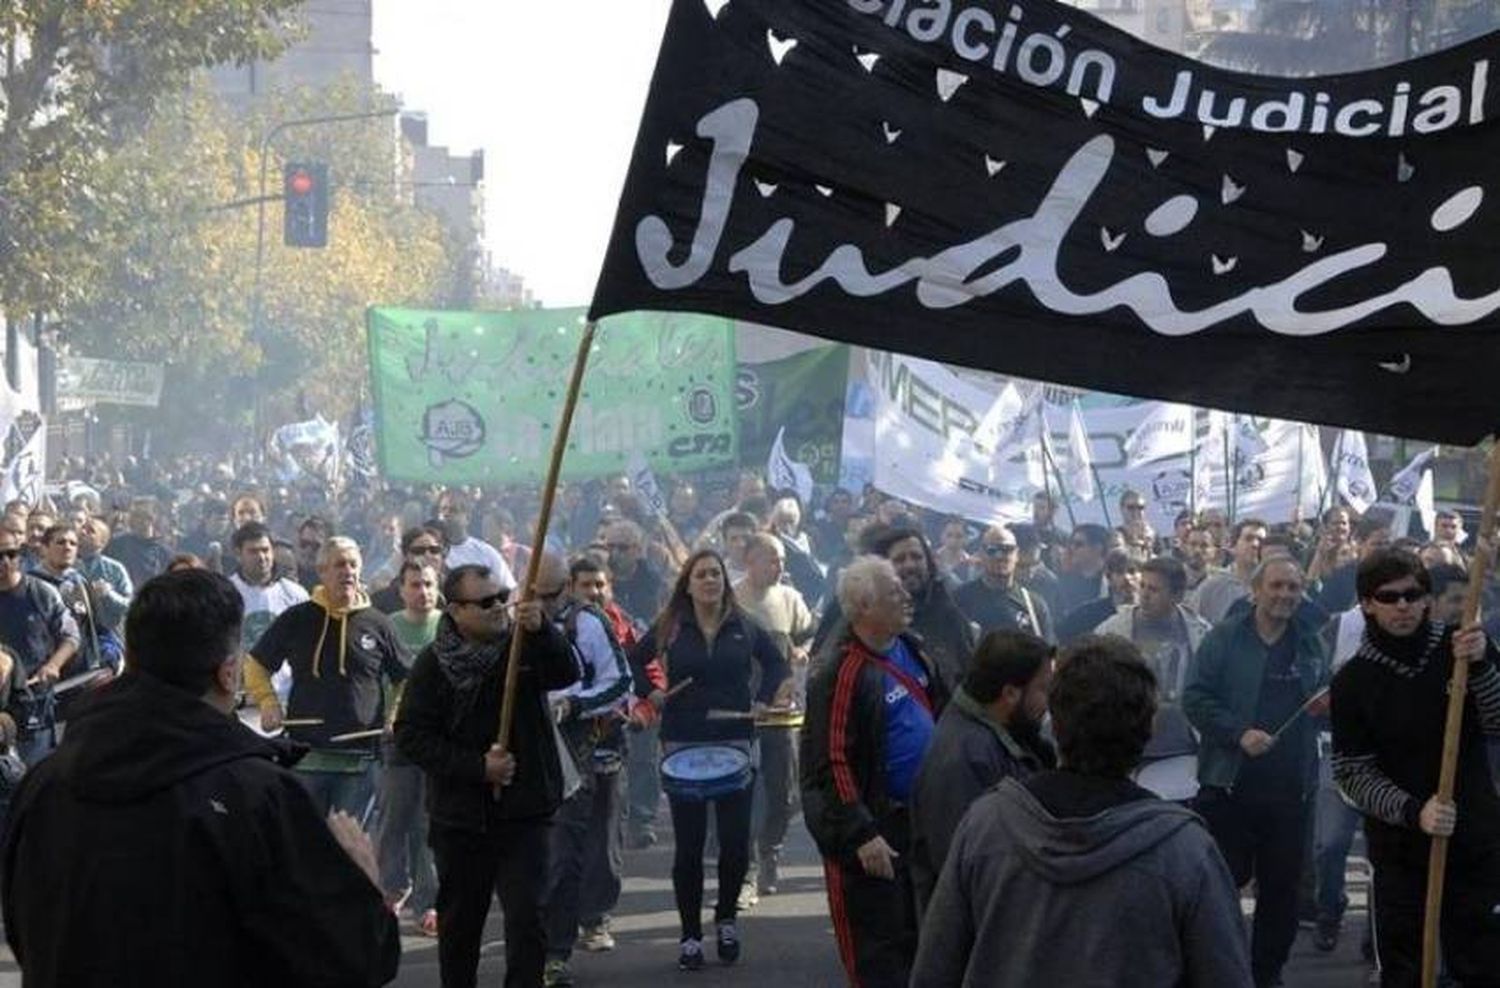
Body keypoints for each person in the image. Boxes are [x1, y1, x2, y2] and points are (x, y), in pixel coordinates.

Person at [0, 569, 400, 987]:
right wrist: (362, 883)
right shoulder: (257, 798)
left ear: (133, 660)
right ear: (229, 674)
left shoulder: (44, 783)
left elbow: (24, 931)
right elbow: (354, 960)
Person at [910, 635, 1251, 988]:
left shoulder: (984, 826)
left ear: (1055, 723)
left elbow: (935, 969)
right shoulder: (1186, 852)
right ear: (1150, 729)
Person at [395, 561, 579, 988]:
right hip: (461, 818)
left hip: (526, 810)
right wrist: (478, 766)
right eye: (486, 602)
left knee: (527, 918)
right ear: (456, 610)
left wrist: (543, 631)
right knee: (461, 925)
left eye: (503, 598)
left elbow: (568, 672)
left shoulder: (523, 646)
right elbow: (411, 735)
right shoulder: (434, 664)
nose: (499, 608)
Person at [1331, 549, 1500, 986]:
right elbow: (1352, 772)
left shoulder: (1463, 648)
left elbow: (1498, 720)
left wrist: (1483, 666)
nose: (1403, 605)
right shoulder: (1352, 682)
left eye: (1413, 594)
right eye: (1389, 597)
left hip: (1473, 836)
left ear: (1426, 598)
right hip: (1401, 848)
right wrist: (1412, 811)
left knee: (1481, 961)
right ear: (1368, 604)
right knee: (1405, 967)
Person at [627, 548, 788, 971]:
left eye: (716, 573)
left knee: (736, 843)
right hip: (684, 743)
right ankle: (690, 934)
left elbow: (775, 663)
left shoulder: (744, 624)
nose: (710, 580)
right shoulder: (672, 626)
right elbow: (632, 661)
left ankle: (727, 919)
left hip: (736, 741)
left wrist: (762, 700)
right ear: (688, 583)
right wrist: (652, 691)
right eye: (701, 575)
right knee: (690, 847)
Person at [802, 555, 949, 988]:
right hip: (875, 834)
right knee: (879, 958)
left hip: (919, 823)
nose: (905, 594)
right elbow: (830, 759)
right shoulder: (840, 670)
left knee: (922, 944)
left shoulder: (914, 648)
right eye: (892, 591)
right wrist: (861, 832)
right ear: (864, 606)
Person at [1183, 557, 1329, 988]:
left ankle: (1267, 974)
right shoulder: (1225, 638)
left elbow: (1317, 697)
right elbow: (1195, 697)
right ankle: (1217, 971)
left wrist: (1322, 705)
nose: (1285, 595)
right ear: (1256, 589)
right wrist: (1237, 733)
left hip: (1290, 793)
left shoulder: (1309, 642)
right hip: (1229, 786)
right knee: (1221, 888)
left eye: (1294, 588)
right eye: (1277, 586)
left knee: (1281, 893)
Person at [245, 536, 409, 818]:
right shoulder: (296, 618)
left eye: (353, 564)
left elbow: (405, 678)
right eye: (340, 565)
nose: (348, 571)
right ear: (322, 571)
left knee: (350, 848)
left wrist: (394, 716)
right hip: (306, 757)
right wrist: (268, 703)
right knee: (304, 843)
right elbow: (256, 664)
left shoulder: (379, 623)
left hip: (361, 759)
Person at [908, 630, 1054, 914]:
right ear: (1010, 693)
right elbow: (965, 867)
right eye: (1043, 689)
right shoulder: (962, 759)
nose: (1047, 703)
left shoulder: (1004, 733)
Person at [542, 555, 634, 988]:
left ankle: (562, 947)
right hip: (527, 751)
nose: (539, 604)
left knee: (579, 845)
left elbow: (621, 683)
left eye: (548, 595)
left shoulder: (588, 624)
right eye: (533, 595)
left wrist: (574, 704)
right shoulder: (504, 623)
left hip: (584, 747)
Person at [735, 533, 816, 903]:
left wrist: (802, 649)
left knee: (784, 794)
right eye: (771, 559)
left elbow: (812, 635)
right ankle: (748, 866)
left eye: (781, 559)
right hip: (744, 712)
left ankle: (771, 849)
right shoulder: (731, 599)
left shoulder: (791, 598)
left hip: (785, 715)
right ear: (749, 561)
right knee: (747, 794)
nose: (779, 566)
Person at [375, 560, 443, 938]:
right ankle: (392, 889)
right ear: (401, 589)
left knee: (428, 822)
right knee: (393, 819)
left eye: (429, 584)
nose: (423, 592)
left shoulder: (448, 627)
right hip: (396, 740)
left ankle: (429, 902)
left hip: (437, 740)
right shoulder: (390, 627)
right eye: (415, 585)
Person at [1096, 556, 1210, 777]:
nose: (1145, 596)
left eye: (1155, 590)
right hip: (1130, 746)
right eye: (1143, 586)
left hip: (1183, 745)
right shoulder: (1113, 630)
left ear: (1177, 595)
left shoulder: (1201, 632)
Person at [0, 528, 80, 764]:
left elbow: (71, 635)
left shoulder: (41, 592)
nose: (5, 561)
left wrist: (53, 664)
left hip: (32, 700)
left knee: (32, 774)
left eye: (11, 554)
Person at [953, 524, 1054, 642]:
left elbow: (1047, 653)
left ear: (1017, 554)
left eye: (1007, 550)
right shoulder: (959, 599)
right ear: (981, 554)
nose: (999, 556)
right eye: (992, 550)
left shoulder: (1035, 606)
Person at [228, 521, 309, 663]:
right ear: (238, 554)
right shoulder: (226, 593)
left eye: (265, 550)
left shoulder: (295, 594)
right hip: (241, 681)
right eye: (253, 551)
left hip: (284, 683)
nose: (261, 557)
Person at [1187, 517, 1268, 624]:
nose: (1255, 544)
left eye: (1261, 540)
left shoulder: (1276, 586)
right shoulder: (1212, 587)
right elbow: (1190, 624)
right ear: (1233, 546)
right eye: (1248, 539)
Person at [1055, 549, 1140, 644]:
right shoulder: (1088, 614)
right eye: (1119, 572)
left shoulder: (1151, 615)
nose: (1127, 578)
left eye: (1132, 571)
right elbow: (1061, 635)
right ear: (1109, 577)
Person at [437, 491, 518, 590]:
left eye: (453, 510)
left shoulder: (485, 553)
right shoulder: (429, 550)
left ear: (467, 518)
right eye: (443, 509)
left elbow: (510, 589)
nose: (446, 514)